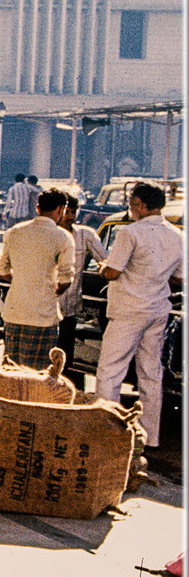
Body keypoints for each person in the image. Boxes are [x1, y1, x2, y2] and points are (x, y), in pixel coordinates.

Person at [95, 182, 183, 448]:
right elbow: (179, 278)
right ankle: (149, 437)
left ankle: (107, 437)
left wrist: (102, 267)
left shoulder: (130, 233)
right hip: (158, 310)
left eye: (132, 203)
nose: (130, 208)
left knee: (110, 372)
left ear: (142, 205)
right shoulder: (177, 235)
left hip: (128, 311)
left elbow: (112, 272)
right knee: (151, 374)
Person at [0, 189, 77, 368]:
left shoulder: (14, 232)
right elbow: (66, 279)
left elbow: (1, 270)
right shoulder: (63, 237)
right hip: (43, 315)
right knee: (37, 373)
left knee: (11, 370)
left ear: (38, 207)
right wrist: (51, 290)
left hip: (14, 312)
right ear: (61, 209)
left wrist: (22, 280)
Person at [55, 192, 107, 363]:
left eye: (73, 212)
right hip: (45, 308)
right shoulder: (47, 235)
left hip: (70, 309)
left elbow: (105, 260)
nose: (70, 216)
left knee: (65, 357)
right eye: (66, 212)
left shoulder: (85, 235)